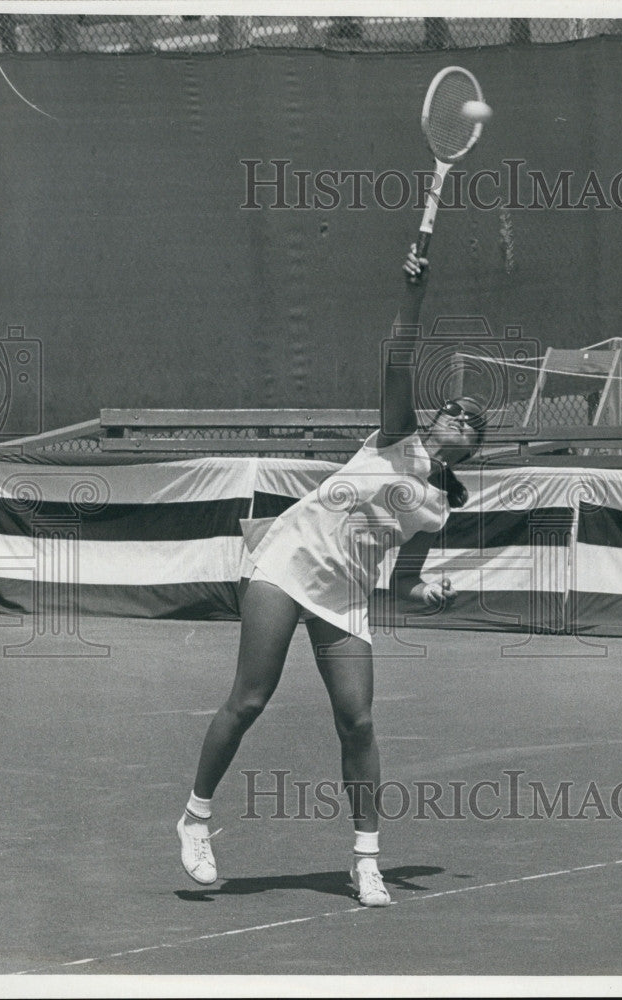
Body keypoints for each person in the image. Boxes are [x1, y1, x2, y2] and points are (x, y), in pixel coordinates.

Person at [177, 245, 486, 906]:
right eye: (454, 409)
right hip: (285, 563)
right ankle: (195, 819)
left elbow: (402, 580)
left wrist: (426, 592)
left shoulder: (435, 509)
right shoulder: (395, 438)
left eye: (472, 422)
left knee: (359, 723)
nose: (459, 417)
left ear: (471, 448)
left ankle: (365, 860)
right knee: (250, 698)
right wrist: (412, 296)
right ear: (434, 420)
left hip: (344, 598)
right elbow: (396, 356)